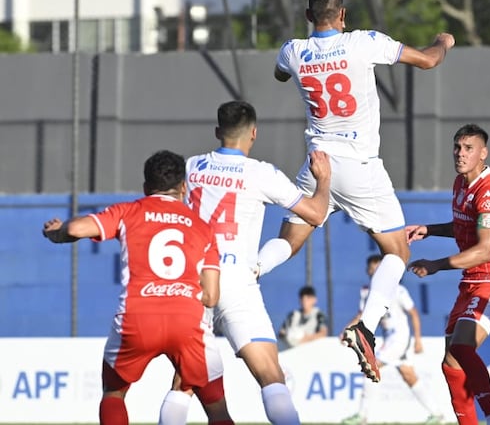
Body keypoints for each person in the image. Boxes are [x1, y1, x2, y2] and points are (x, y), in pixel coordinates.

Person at [256, 0, 456, 382]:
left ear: (309, 17)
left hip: (317, 166)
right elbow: (429, 61)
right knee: (396, 252)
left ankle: (241, 274)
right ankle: (365, 326)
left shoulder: (292, 51)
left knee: (288, 244)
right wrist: (443, 41)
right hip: (360, 166)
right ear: (343, 16)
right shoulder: (363, 43)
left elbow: (280, 74)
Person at [157, 101, 332, 425]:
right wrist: (323, 180)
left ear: (217, 132)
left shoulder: (192, 168)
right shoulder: (262, 173)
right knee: (271, 376)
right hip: (236, 279)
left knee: (184, 382)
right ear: (253, 133)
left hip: (192, 281)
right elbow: (316, 214)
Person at [42, 150, 233, 425]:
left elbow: (76, 229)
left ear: (146, 188)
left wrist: (58, 233)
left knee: (114, 392)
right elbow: (212, 296)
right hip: (187, 320)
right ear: (183, 187)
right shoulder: (203, 228)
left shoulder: (128, 212)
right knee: (216, 407)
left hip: (138, 317)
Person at [406, 124, 490, 425]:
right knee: (451, 364)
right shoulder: (461, 184)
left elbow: (484, 249)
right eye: (457, 147)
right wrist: (429, 230)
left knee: (461, 345)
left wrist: (435, 265)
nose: (460, 153)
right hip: (470, 280)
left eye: (469, 148)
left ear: (484, 153)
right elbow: (464, 226)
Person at [342, 254, 443, 425]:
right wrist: (347, 329)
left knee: (370, 365)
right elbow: (362, 314)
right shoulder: (367, 292)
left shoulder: (397, 290)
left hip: (399, 338)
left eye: (378, 269)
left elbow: (413, 313)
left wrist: (418, 339)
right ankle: (437, 414)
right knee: (408, 375)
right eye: (372, 269)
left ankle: (362, 416)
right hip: (390, 338)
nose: (375, 273)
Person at [277, 285, 328, 349]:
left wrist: (306, 339)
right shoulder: (293, 315)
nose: (305, 301)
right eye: (303, 299)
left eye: (308, 298)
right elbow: (281, 332)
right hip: (291, 350)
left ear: (314, 300)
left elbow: (323, 333)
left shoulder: (319, 315)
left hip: (311, 349)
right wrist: (289, 338)